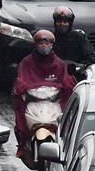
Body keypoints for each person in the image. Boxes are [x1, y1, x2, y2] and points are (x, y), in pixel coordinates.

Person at [13, 30, 76, 158]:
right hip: (33, 101)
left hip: (52, 102)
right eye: (40, 43)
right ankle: (22, 144)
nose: (44, 46)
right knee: (20, 113)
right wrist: (20, 89)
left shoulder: (59, 63)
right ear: (35, 44)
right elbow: (21, 79)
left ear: (52, 44)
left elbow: (65, 82)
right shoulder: (26, 63)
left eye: (47, 43)